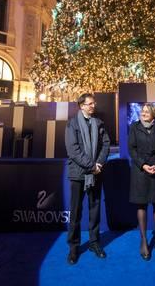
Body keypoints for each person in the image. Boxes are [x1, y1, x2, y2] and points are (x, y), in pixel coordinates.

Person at [65, 93, 111, 265]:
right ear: (81, 106)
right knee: (76, 212)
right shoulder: (72, 124)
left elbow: (106, 144)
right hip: (79, 174)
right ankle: (74, 247)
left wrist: (98, 163)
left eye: (94, 103)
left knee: (94, 209)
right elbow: (73, 150)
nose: (93, 106)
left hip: (96, 173)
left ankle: (94, 243)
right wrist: (92, 166)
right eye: (90, 103)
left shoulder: (98, 123)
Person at [128, 103, 155, 260]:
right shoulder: (134, 127)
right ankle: (144, 241)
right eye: (142, 111)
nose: (143, 113)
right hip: (140, 170)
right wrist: (144, 165)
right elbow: (131, 149)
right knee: (142, 204)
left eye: (147, 111)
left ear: (154, 114)